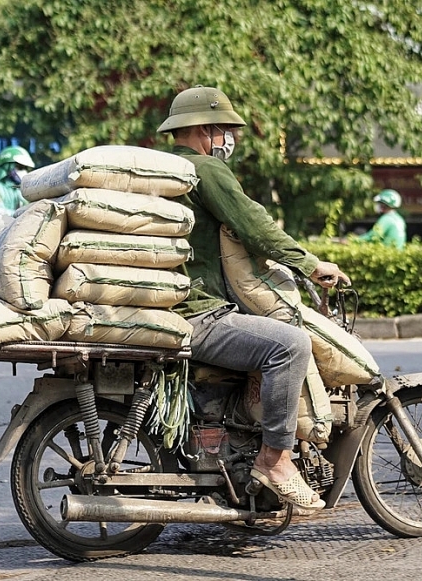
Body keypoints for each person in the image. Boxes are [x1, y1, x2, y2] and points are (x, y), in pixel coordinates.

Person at [158, 86, 349, 510]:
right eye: (228, 129)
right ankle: (275, 458)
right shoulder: (204, 170)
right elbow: (255, 226)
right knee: (289, 345)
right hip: (197, 313)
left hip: (179, 309)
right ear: (206, 129)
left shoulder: (167, 171)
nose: (233, 139)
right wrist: (312, 266)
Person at [0, 145, 35, 222]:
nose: (24, 171)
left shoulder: (24, 190)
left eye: (26, 168)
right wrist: (22, 214)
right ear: (7, 167)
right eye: (20, 167)